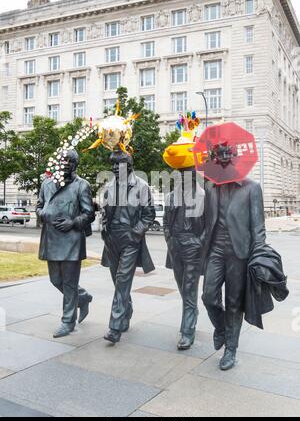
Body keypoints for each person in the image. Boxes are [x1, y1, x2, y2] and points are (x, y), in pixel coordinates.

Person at [202, 144, 266, 370]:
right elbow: (206, 222)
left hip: (240, 253)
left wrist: (258, 257)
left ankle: (231, 348)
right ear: (216, 160)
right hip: (216, 250)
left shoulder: (252, 188)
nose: (224, 160)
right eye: (220, 157)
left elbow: (258, 228)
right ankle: (220, 327)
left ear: (236, 159)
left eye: (228, 156)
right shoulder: (210, 187)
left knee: (233, 303)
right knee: (208, 296)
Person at [36, 149, 95, 338]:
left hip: (71, 240)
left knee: (69, 283)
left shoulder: (81, 185)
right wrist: (41, 213)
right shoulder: (46, 184)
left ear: (75, 165)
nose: (65, 163)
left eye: (69, 161)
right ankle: (83, 297)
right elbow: (38, 206)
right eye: (62, 160)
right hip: (51, 238)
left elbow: (89, 213)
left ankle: (68, 321)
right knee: (56, 280)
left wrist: (73, 222)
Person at [101, 149, 155, 344]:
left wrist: (136, 233)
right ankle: (127, 310)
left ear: (129, 165)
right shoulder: (109, 186)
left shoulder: (141, 186)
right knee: (118, 281)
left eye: (119, 164)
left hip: (130, 238)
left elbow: (149, 214)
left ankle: (114, 327)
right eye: (113, 164)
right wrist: (104, 226)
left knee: (123, 280)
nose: (115, 167)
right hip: (112, 239)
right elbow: (106, 212)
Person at [164, 167, 205, 350]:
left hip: (193, 245)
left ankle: (187, 331)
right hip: (175, 245)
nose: (182, 177)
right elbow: (166, 221)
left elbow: (210, 224)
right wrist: (168, 238)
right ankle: (192, 311)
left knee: (189, 287)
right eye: (179, 173)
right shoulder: (171, 196)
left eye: (186, 173)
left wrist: (199, 242)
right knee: (182, 286)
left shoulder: (204, 195)